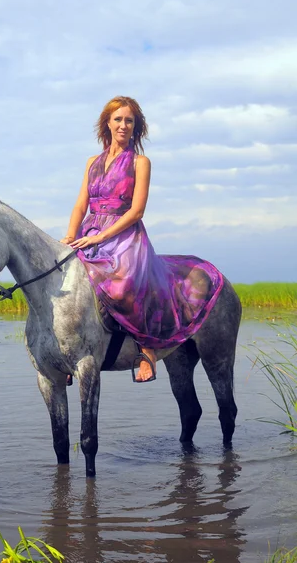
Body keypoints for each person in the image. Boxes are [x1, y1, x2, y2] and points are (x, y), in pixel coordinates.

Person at [61, 96, 223, 383]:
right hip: (90, 232)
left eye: (129, 121)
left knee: (125, 286)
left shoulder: (140, 162)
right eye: (118, 119)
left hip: (125, 236)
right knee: (67, 281)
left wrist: (102, 235)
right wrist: (71, 236)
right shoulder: (91, 162)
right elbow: (80, 204)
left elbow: (137, 211)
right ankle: (67, 354)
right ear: (107, 123)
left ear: (136, 127)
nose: (123, 125)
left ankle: (147, 349)